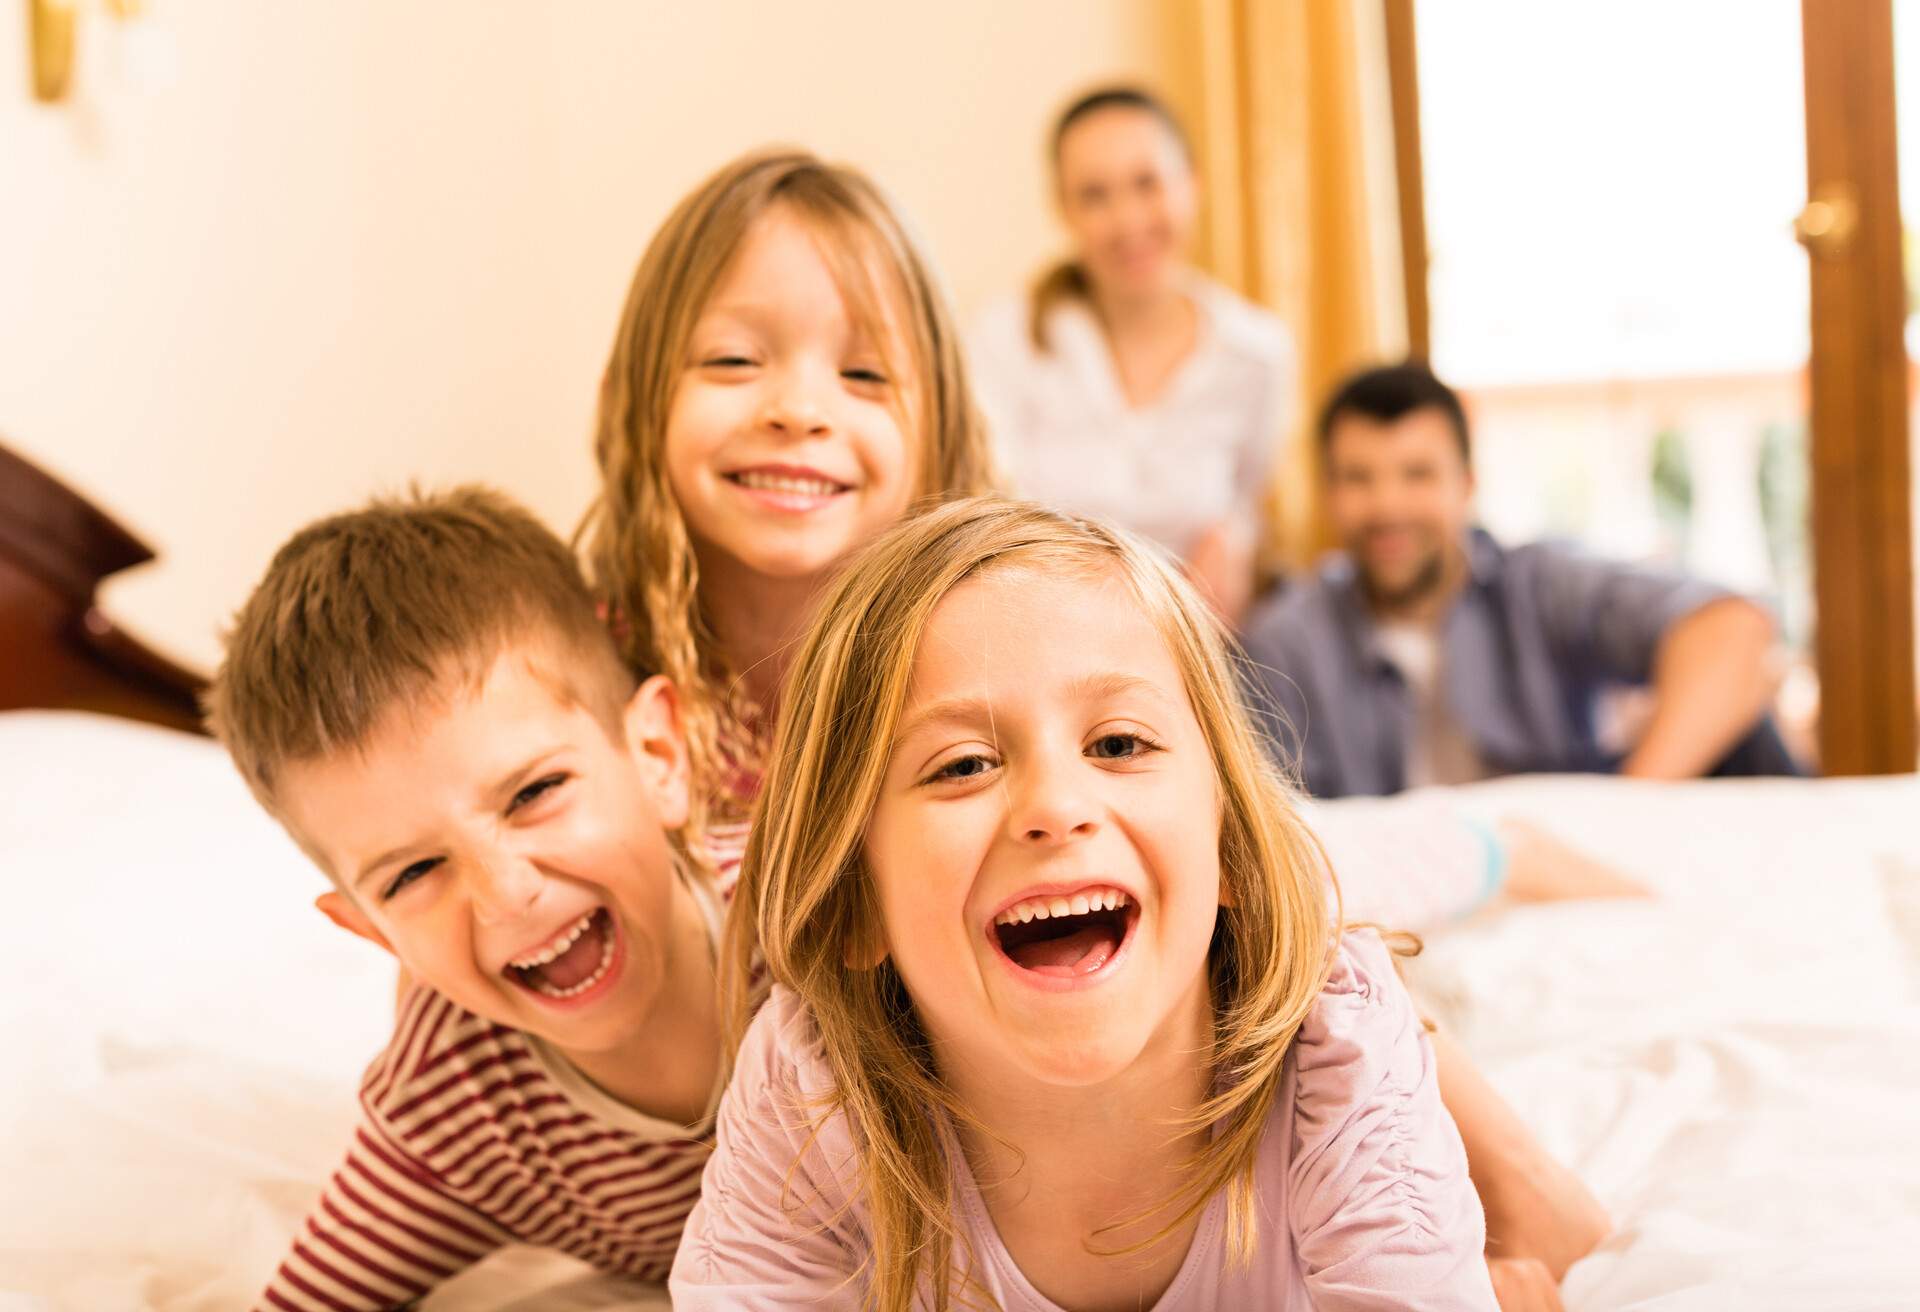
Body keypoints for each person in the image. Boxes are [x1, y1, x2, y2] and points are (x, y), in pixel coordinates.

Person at [585, 148, 1611, 1306]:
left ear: (937, 420)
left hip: (1160, 982)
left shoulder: (1013, 617)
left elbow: (1278, 934)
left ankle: (1494, 865)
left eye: (866, 373)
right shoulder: (602, 683)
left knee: (1303, 904)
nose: (797, 407)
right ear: (642, 396)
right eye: (733, 359)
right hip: (904, 1057)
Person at [672, 497, 1498, 1309]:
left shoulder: (1334, 1049)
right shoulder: (813, 1087)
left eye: (1118, 744)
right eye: (962, 765)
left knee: (1440, 864)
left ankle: (1507, 851)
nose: (1054, 806)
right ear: (859, 908)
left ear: (1232, 854)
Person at [205, 489, 727, 1309]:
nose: (504, 894)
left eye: (535, 792)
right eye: (411, 875)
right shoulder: (453, 1117)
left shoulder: (826, 916)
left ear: (657, 754)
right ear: (372, 931)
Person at [1244, 360, 1797, 801]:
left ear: (1466, 484)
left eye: (1417, 474)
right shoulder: (1284, 640)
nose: (1388, 505)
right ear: (1328, 496)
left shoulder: (1540, 583)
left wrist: (1631, 813)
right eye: (1358, 479)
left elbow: (1733, 627)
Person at [968, 86, 1291, 623]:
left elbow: (1243, 508)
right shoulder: (1005, 338)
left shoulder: (1257, 353)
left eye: (1148, 184)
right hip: (1039, 631)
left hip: (1193, 639)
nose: (1128, 220)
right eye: (1095, 195)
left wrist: (1232, 548)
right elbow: (988, 515)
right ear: (1064, 209)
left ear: (1192, 184)